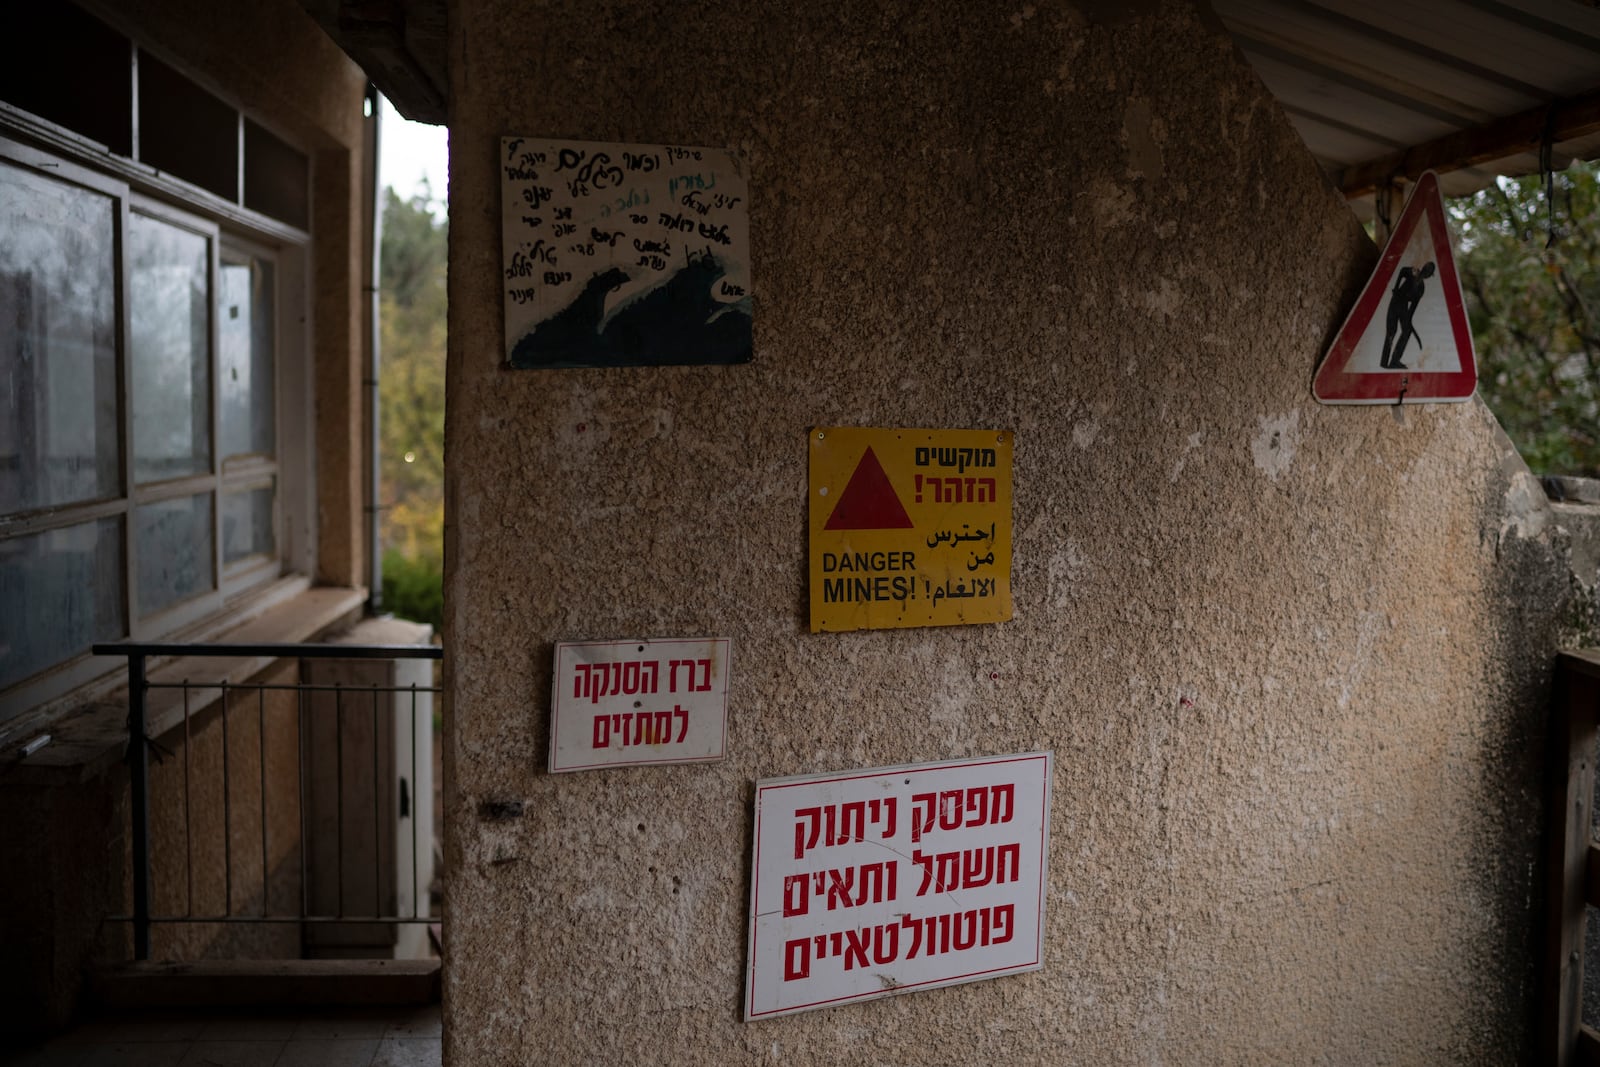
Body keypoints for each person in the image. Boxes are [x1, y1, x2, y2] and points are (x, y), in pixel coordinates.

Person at [1381, 261, 1435, 369]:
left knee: (1406, 331)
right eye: (1426, 269)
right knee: (1392, 331)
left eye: (1429, 272)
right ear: (1423, 267)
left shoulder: (1421, 288)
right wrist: (1396, 287)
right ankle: (1384, 362)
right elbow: (1402, 271)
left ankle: (1395, 360)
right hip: (1396, 301)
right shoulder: (1413, 272)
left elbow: (1413, 307)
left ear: (1429, 276)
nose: (1426, 272)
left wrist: (1408, 322)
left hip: (1404, 307)